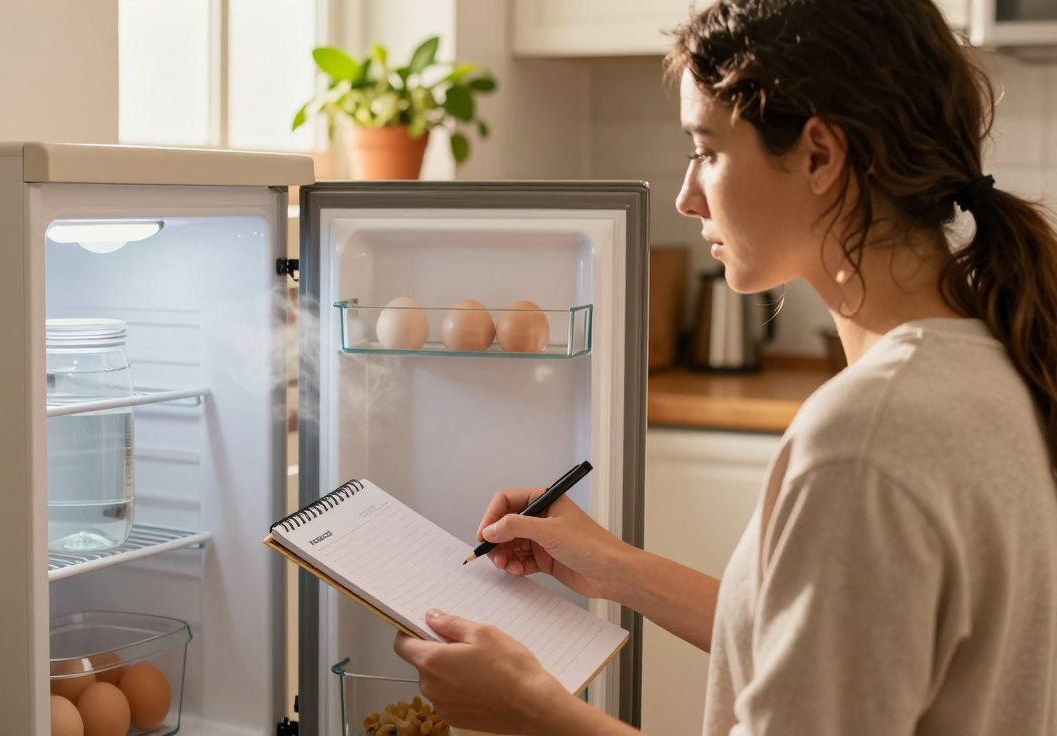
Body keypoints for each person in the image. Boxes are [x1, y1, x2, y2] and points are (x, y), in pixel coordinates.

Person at [393, 1, 1057, 733]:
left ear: (820, 156)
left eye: (707, 150)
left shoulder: (866, 437)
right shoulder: (988, 365)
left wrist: (533, 710)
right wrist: (616, 567)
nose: (685, 195)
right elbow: (839, 643)